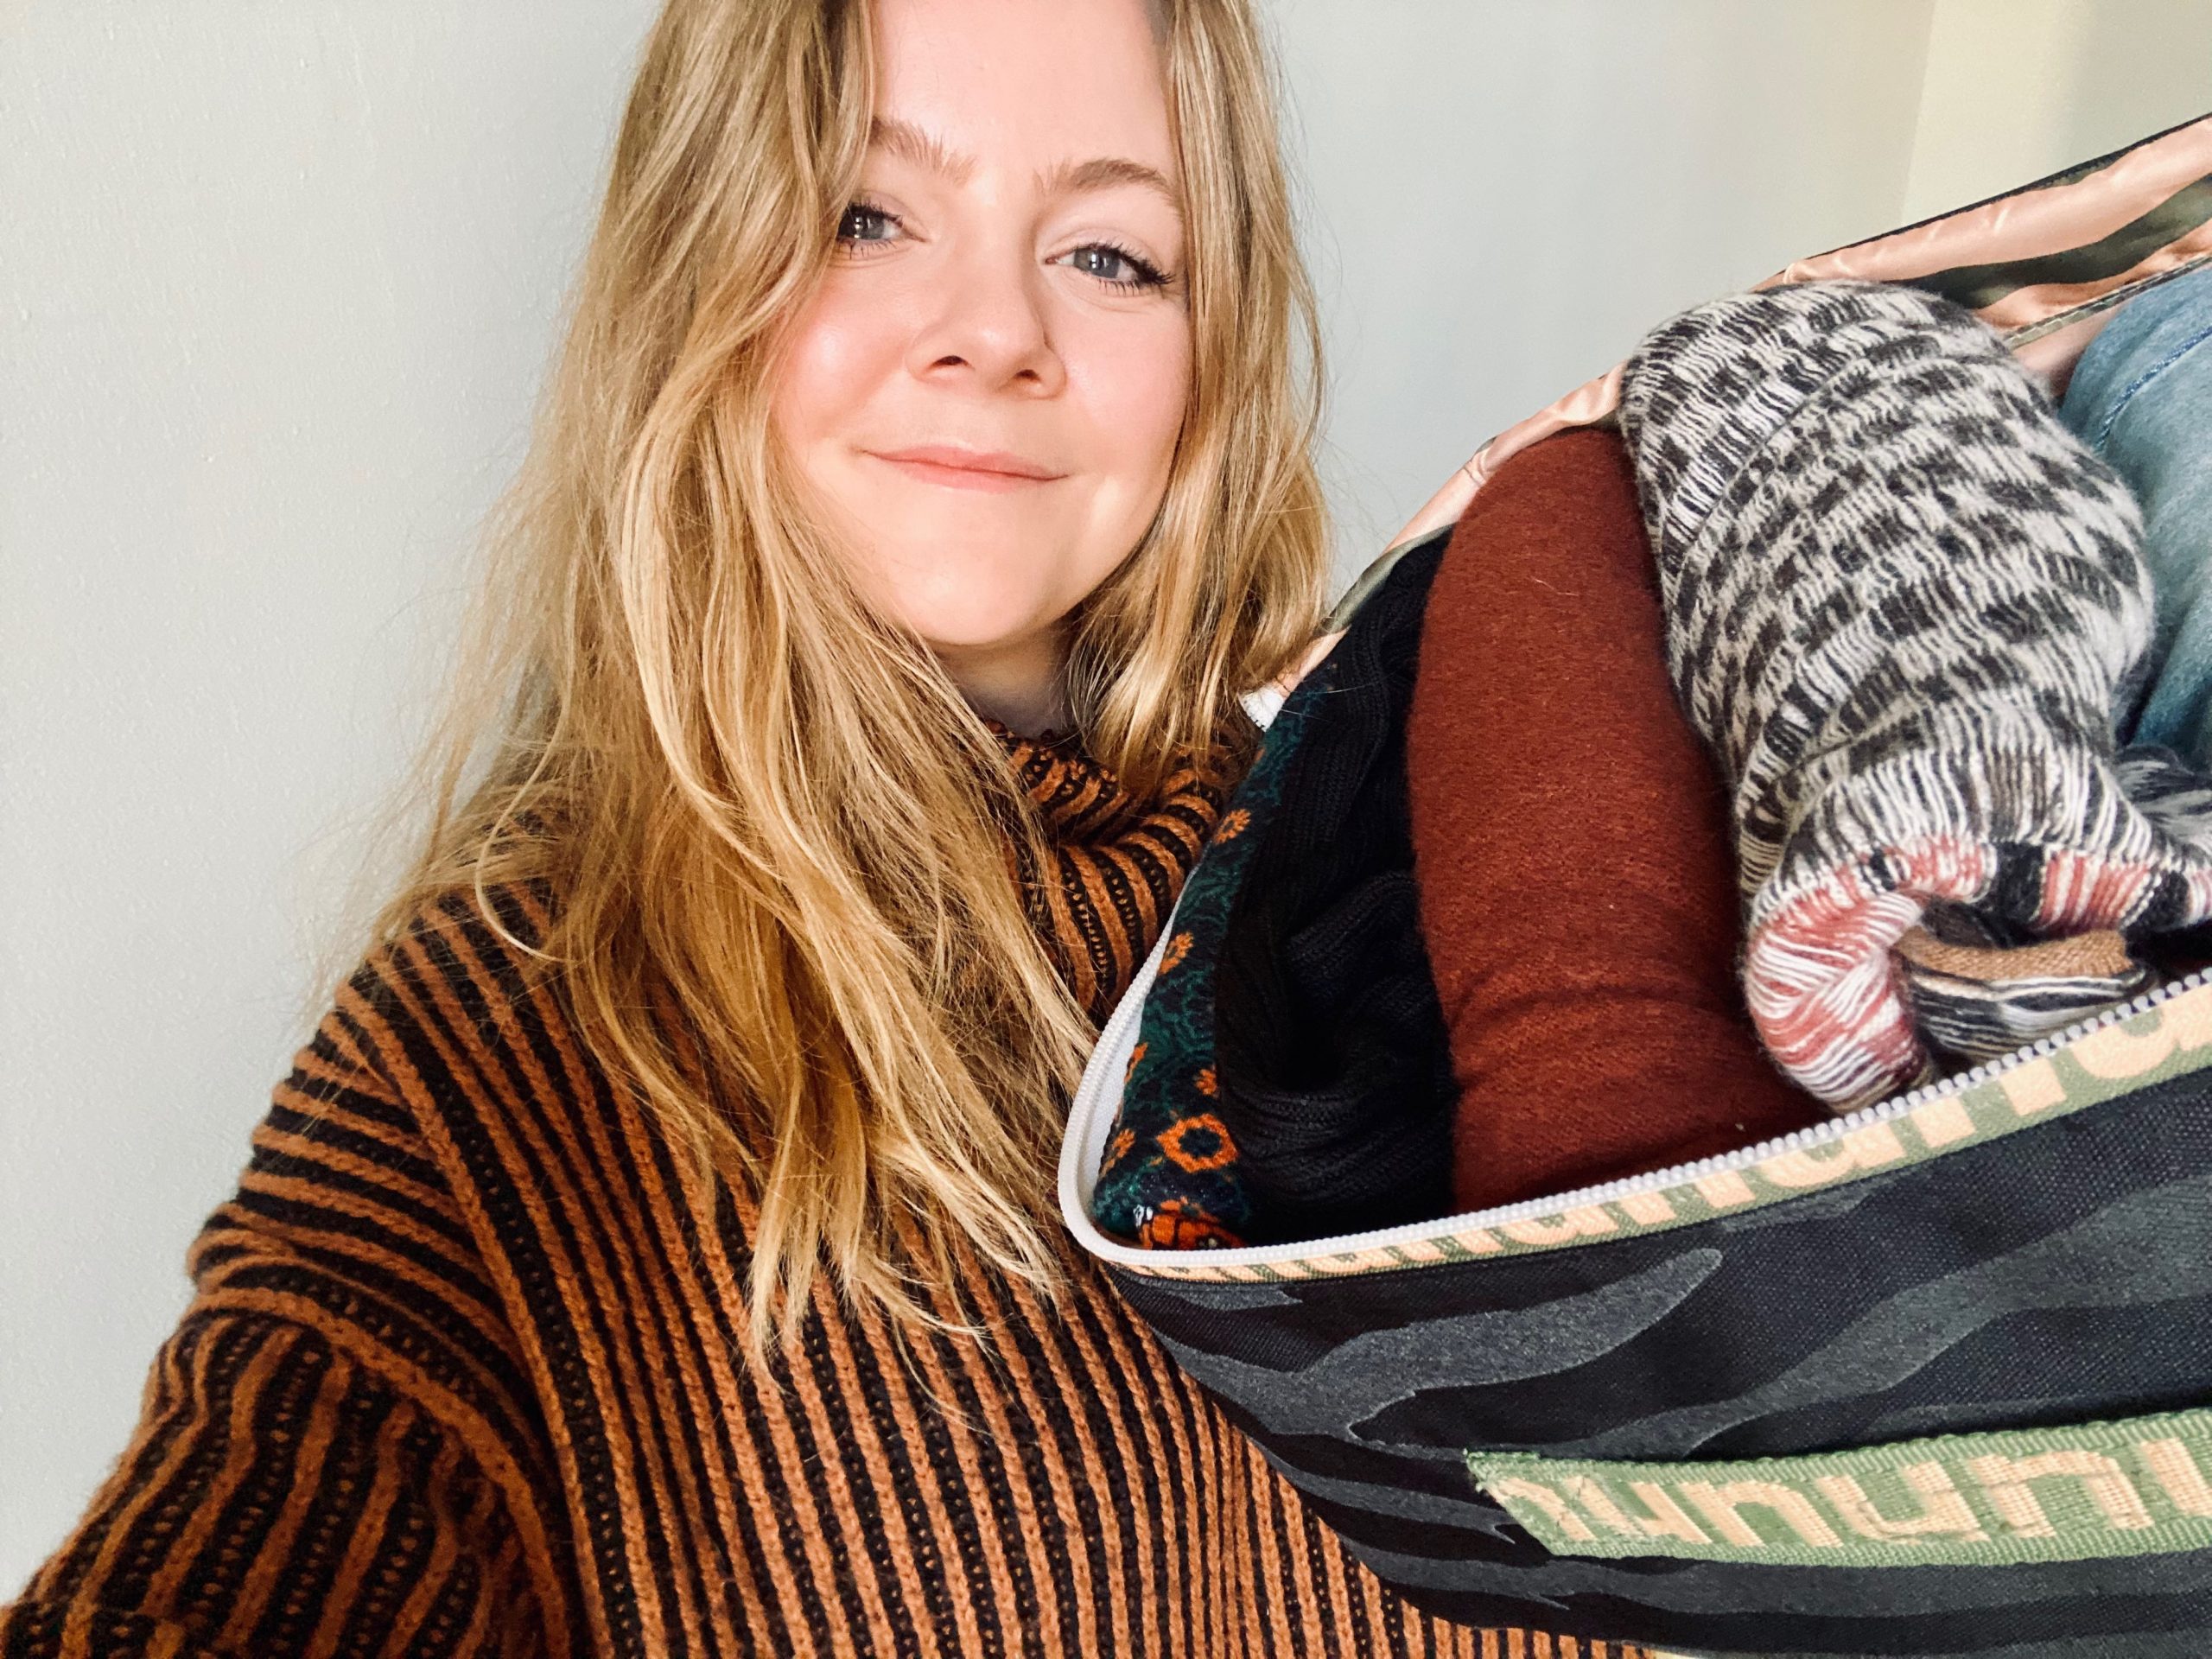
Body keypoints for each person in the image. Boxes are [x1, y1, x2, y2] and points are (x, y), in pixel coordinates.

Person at [0, 0, 1642, 1654]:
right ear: (695, 266)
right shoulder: (494, 1039)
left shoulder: (1404, 860)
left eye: (1112, 254)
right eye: (870, 215)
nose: (996, 331)